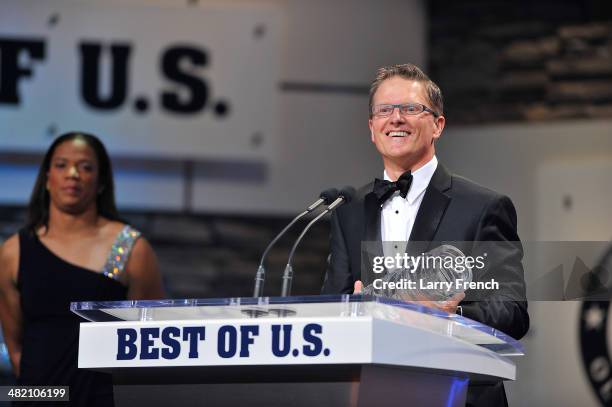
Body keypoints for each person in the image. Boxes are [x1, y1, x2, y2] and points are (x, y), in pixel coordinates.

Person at [321, 64, 529, 407]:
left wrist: (451, 316)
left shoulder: (484, 207)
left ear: (438, 125)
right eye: (384, 110)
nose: (396, 118)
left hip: (457, 394)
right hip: (374, 393)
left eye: (411, 108)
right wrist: (350, 311)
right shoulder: (349, 209)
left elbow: (513, 311)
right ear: (372, 128)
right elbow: (334, 306)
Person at [0, 132, 165, 406]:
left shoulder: (132, 249)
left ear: (101, 182)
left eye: (86, 167)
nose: (73, 174)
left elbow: (154, 342)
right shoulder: (14, 251)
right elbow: (16, 347)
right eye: (62, 165)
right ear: (47, 179)